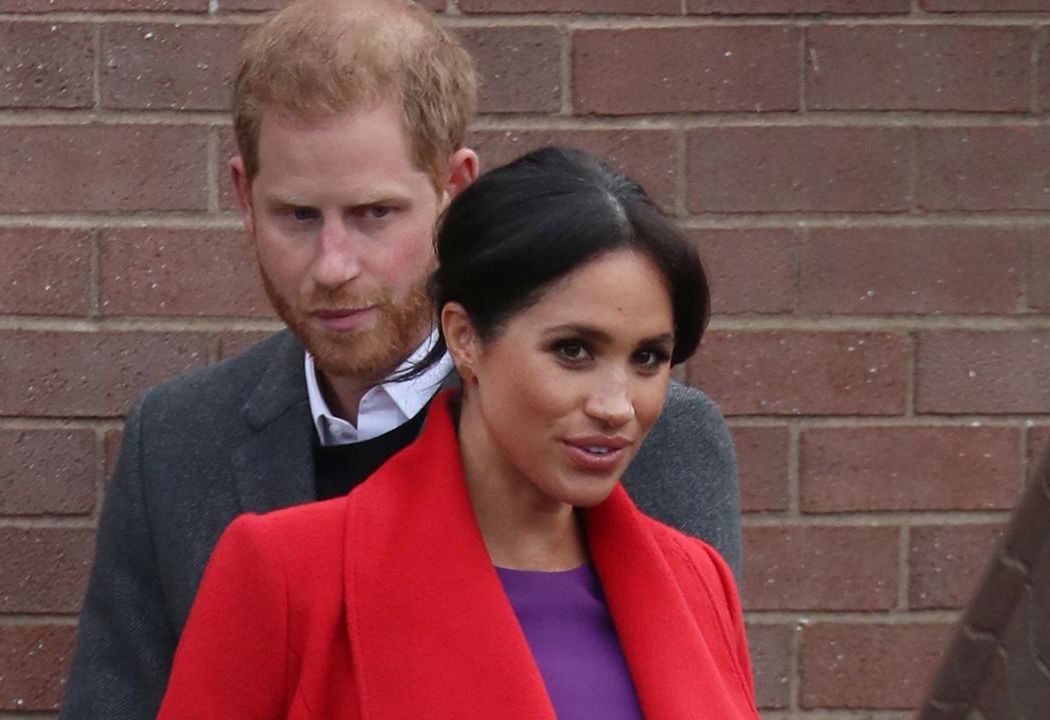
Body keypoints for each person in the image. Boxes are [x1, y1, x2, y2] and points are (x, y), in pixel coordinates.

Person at [60, 2, 741, 718]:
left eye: (373, 214)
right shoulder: (176, 438)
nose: (333, 266)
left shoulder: (658, 438)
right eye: (298, 215)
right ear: (243, 196)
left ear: (455, 190)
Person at [156, 147, 757, 719]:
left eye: (649, 359)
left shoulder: (697, 581)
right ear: (465, 338)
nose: (616, 405)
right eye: (573, 350)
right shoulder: (286, 574)